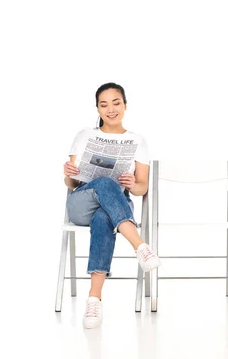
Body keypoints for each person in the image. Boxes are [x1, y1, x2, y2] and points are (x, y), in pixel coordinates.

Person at [63, 82, 161, 329]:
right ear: (97, 108)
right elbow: (71, 182)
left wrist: (132, 182)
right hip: (81, 202)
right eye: (104, 104)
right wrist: (68, 172)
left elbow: (141, 188)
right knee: (105, 183)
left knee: (104, 218)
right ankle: (140, 246)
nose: (110, 109)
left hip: (112, 208)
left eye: (116, 103)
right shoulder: (85, 134)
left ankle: (94, 299)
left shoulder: (138, 141)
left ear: (125, 105)